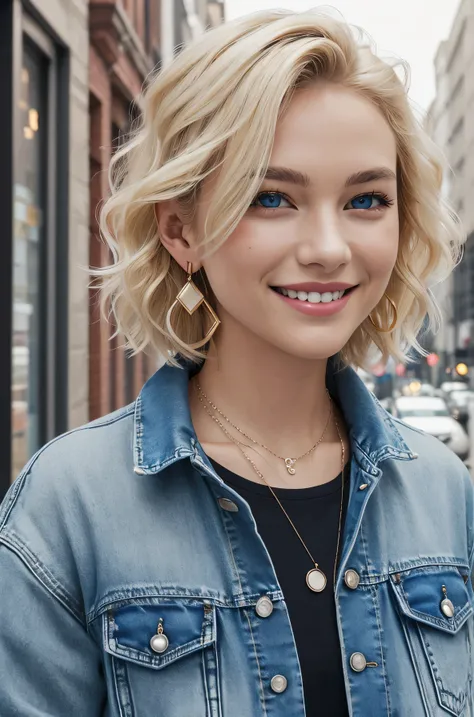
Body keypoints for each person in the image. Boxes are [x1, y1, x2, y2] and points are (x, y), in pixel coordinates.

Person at [0, 9, 473, 717]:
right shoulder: (68, 509)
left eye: (366, 199)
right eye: (271, 196)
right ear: (181, 229)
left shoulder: (444, 493)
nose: (328, 246)